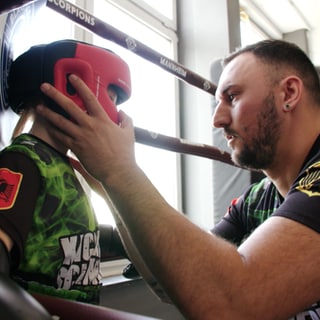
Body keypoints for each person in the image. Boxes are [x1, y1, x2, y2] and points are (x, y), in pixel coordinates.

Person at [36, 39, 320, 319]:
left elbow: (234, 305)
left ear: (289, 93)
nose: (217, 119)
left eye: (232, 97)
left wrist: (120, 171)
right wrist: (112, 187)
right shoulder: (256, 200)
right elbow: (180, 284)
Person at [0, 39, 131, 305]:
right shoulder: (22, 161)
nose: (114, 113)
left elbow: (66, 236)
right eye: (111, 98)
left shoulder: (68, 166)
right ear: (67, 86)